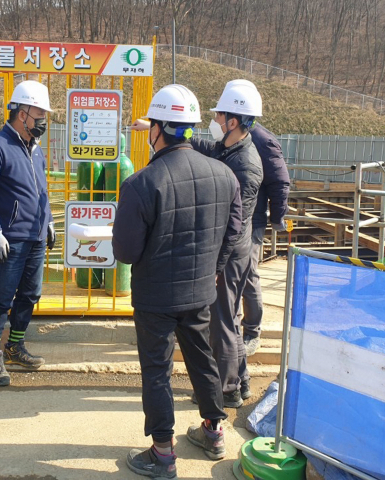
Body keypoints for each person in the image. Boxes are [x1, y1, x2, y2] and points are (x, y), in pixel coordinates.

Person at [115, 84, 243, 477]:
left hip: (155, 296)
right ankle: (213, 430)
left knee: (158, 371)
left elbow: (126, 252)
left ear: (158, 128)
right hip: (200, 289)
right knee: (201, 357)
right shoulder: (225, 175)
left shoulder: (141, 183)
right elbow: (234, 232)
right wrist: (213, 268)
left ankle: (162, 453)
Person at [0, 80, 56, 387]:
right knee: (2, 297)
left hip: (35, 236)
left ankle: (15, 345)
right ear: (21, 113)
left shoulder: (35, 150)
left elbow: (42, 191)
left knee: (31, 294)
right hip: (11, 238)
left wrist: (47, 220)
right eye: (39, 114)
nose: (43, 121)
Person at [190, 79, 264, 409]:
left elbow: (235, 226)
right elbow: (207, 148)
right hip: (231, 251)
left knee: (221, 321)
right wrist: (174, 132)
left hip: (231, 254)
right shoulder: (231, 149)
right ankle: (243, 380)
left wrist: (216, 267)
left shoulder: (246, 165)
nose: (217, 122)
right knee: (229, 319)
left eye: (220, 117)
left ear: (234, 121)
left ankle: (227, 389)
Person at [240, 97, 290, 355]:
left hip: (253, 219)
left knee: (248, 274)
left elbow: (280, 181)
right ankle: (232, 327)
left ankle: (252, 331)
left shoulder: (262, 140)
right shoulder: (234, 136)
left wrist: (277, 218)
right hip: (234, 219)